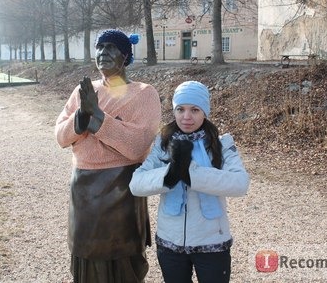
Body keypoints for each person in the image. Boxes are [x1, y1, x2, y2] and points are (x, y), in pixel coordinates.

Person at [55, 29, 162, 283]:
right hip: (83, 190)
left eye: (111, 47)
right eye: (99, 47)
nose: (103, 52)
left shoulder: (144, 93)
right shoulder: (83, 90)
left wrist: (99, 120)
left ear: (125, 56)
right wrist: (81, 119)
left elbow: (137, 146)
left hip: (121, 190)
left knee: (121, 262)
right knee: (87, 258)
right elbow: (61, 136)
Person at [129, 80, 250, 283]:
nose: (186, 117)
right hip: (170, 243)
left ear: (205, 112)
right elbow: (136, 184)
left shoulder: (221, 144)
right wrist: (171, 174)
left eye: (194, 109)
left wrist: (190, 174)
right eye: (180, 109)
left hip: (212, 242)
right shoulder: (163, 144)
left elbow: (240, 183)